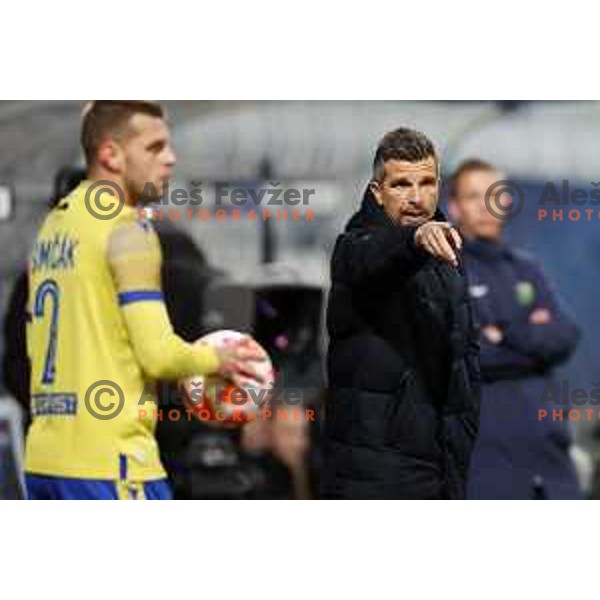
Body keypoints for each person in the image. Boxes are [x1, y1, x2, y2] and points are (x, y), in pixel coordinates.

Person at [24, 101, 263, 500]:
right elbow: (159, 355)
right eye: (154, 148)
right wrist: (220, 360)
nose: (170, 159)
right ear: (110, 155)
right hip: (112, 462)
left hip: (46, 459)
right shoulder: (129, 231)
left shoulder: (55, 225)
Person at [321, 128, 480, 499]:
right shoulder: (354, 248)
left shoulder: (449, 256)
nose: (416, 198)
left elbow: (464, 361)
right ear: (377, 192)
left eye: (426, 183)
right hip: (374, 473)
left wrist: (461, 443)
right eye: (401, 185)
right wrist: (414, 240)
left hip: (440, 466)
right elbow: (374, 259)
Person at [447, 159, 581, 499]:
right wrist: (532, 344)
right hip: (487, 464)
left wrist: (502, 331)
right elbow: (467, 354)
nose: (486, 205)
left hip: (551, 462)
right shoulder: (446, 270)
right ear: (455, 207)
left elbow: (565, 336)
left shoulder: (527, 268)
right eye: (474, 196)